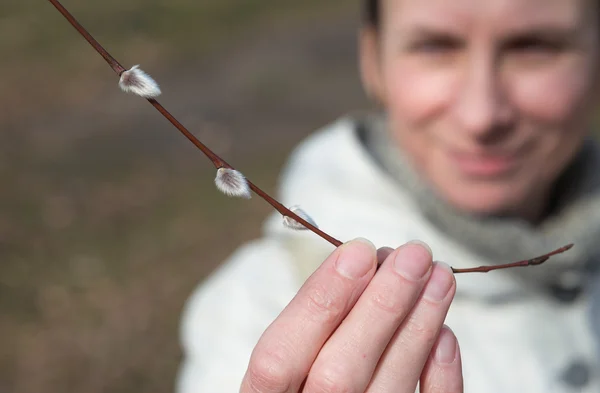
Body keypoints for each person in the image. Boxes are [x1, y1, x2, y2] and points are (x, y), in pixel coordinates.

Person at [176, 0, 600, 391]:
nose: (482, 115)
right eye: (435, 47)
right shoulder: (253, 310)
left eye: (534, 47)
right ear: (373, 61)